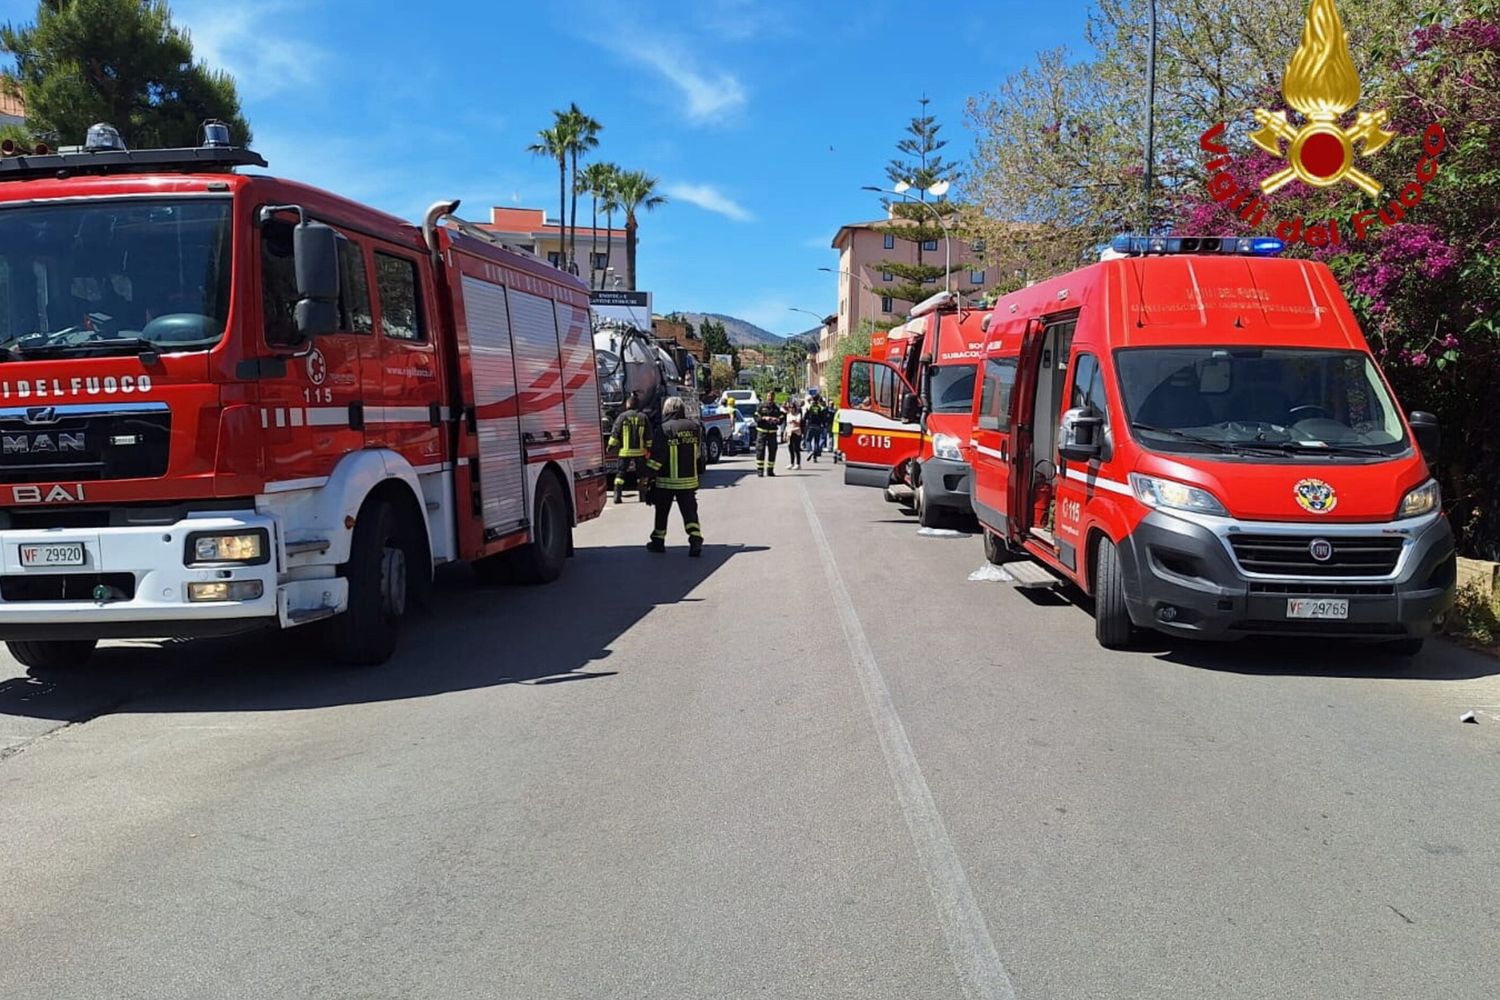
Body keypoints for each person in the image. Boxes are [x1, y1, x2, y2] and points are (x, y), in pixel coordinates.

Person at [644, 396, 704, 557]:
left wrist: (648, 476)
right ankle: (695, 538)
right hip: (689, 481)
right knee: (690, 513)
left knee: (662, 512)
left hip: (666, 481)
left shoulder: (664, 429)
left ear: (668, 410)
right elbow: (697, 453)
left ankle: (658, 541)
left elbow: (658, 457)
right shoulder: (694, 427)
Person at [607, 392, 650, 504]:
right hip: (640, 452)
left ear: (628, 404)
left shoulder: (622, 417)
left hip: (624, 452)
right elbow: (648, 436)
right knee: (641, 475)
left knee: (620, 475)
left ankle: (617, 496)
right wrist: (649, 449)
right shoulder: (643, 417)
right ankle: (643, 496)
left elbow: (615, 433)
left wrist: (610, 446)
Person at [754, 396, 784, 477]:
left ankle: (770, 470)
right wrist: (764, 418)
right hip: (762, 432)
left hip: (772, 432)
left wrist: (777, 420)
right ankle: (760, 471)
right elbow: (756, 417)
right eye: (769, 398)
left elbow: (781, 418)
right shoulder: (761, 406)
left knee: (773, 451)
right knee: (760, 451)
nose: (770, 400)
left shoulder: (776, 408)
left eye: (771, 398)